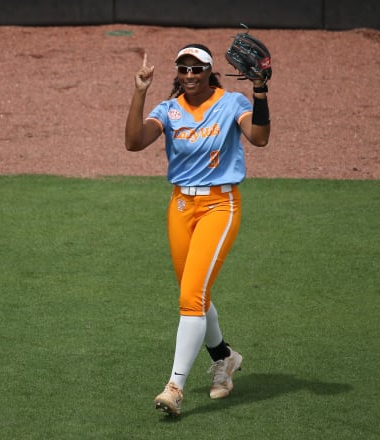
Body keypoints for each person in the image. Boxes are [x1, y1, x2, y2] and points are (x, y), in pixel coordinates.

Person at [124, 43, 271, 416]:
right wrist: (140, 93)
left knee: (191, 297)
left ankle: (175, 387)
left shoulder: (231, 103)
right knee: (197, 295)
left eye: (197, 69)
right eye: (183, 69)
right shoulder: (169, 110)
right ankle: (224, 357)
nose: (189, 75)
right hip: (180, 207)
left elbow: (259, 138)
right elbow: (134, 142)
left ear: (209, 71)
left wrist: (260, 90)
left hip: (220, 205)